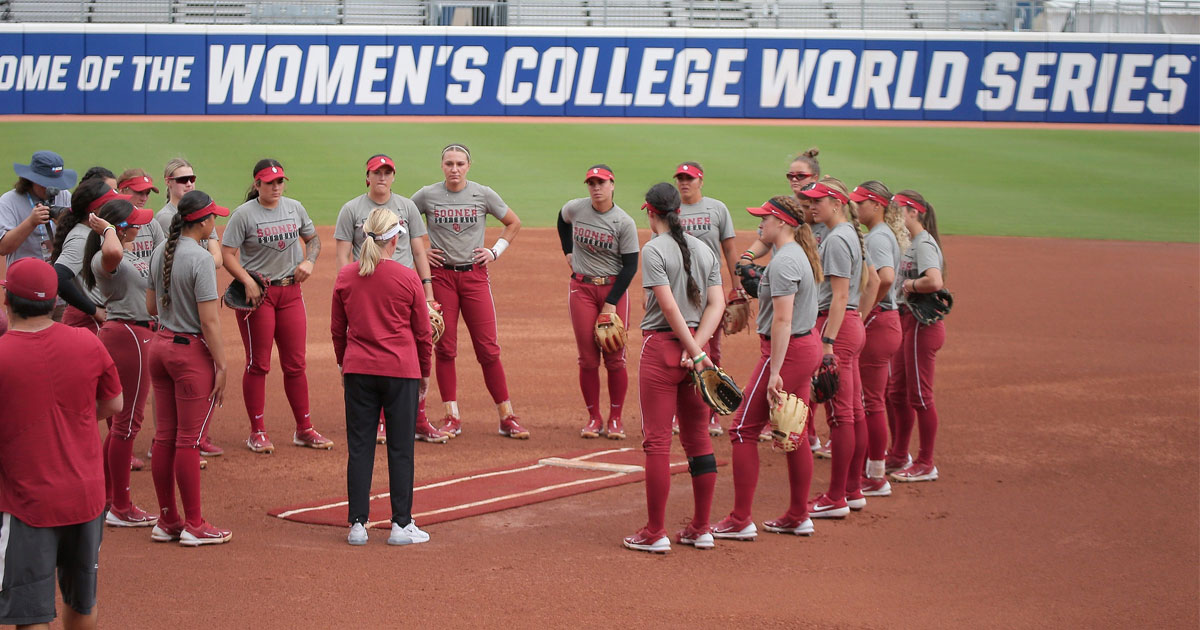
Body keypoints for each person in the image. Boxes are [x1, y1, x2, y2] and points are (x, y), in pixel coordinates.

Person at [0, 257, 122, 628]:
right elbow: (113, 403)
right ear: (57, 302)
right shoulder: (87, 342)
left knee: (31, 611)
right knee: (82, 600)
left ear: (7, 301)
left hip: (27, 503)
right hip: (85, 496)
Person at [713, 196, 824, 540]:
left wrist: (774, 370)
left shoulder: (785, 262)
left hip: (787, 352)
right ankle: (798, 514)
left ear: (782, 223)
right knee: (795, 431)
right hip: (803, 348)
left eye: (765, 219)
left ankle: (741, 518)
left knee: (743, 430)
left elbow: (782, 320)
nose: (760, 224)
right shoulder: (791, 255)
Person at [623, 183, 724, 554]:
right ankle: (702, 528)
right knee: (698, 438)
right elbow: (716, 305)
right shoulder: (705, 249)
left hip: (664, 352)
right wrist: (699, 349)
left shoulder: (653, 250)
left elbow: (668, 308)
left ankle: (655, 531)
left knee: (658, 444)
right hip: (698, 353)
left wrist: (689, 349)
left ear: (649, 211)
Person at [411, 144, 528, 439]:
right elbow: (400, 222)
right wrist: (422, 252)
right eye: (449, 163)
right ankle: (452, 416)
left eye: (460, 163)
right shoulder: (427, 195)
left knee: (488, 349)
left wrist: (495, 250)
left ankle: (507, 416)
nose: (454, 169)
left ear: (468, 166)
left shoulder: (482, 193)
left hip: (475, 276)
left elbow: (513, 222)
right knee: (445, 348)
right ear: (441, 166)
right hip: (441, 278)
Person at [332, 208, 434, 546]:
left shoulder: (347, 275)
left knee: (360, 448)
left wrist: (343, 365)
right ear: (395, 240)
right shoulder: (407, 278)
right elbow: (423, 333)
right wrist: (425, 373)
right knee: (401, 448)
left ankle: (357, 525)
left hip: (359, 369)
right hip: (400, 371)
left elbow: (338, 330)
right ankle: (401, 525)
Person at [335, 154, 448, 444]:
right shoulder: (352, 209)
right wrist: (348, 288)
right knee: (384, 349)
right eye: (377, 172)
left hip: (405, 288)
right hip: (369, 286)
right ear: (367, 177)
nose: (382, 177)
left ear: (393, 177)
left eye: (387, 172)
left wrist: (429, 293)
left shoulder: (407, 207)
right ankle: (381, 421)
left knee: (413, 350)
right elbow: (343, 256)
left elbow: (419, 252)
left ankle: (419, 419)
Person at [222, 159, 333, 454]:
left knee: (296, 364)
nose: (276, 187)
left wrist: (309, 260)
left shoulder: (294, 207)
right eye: (269, 182)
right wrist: (246, 280)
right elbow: (228, 254)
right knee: (258, 364)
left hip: (291, 293)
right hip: (259, 297)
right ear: (257, 184)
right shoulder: (243, 215)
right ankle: (257, 431)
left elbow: (313, 239)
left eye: (280, 181)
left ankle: (304, 429)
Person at [146, 190, 231, 546]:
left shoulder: (159, 251)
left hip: (160, 347)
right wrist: (222, 365)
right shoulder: (199, 260)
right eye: (214, 218)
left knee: (164, 437)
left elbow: (151, 305)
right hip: (190, 354)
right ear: (205, 223)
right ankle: (194, 525)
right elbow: (209, 323)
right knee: (189, 441)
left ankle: (167, 520)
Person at [798, 177, 877, 518]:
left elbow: (841, 295)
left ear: (837, 203)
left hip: (837, 330)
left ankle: (836, 497)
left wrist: (827, 342)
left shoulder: (836, 239)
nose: (812, 206)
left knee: (841, 415)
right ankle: (852, 490)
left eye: (818, 201)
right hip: (851, 325)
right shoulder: (849, 235)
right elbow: (873, 281)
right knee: (854, 412)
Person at [80, 198, 159, 526]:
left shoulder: (121, 252)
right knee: (127, 424)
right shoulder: (105, 256)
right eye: (134, 222)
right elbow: (111, 253)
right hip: (130, 337)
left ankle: (107, 498)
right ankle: (121, 507)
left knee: (123, 423)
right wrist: (109, 229)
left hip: (131, 335)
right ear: (118, 227)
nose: (140, 226)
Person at [558, 164, 638, 439]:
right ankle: (594, 418)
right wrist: (568, 251)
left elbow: (630, 267)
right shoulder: (577, 208)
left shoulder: (623, 222)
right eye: (591, 183)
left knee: (615, 357)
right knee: (588, 359)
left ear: (612, 185)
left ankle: (616, 418)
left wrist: (611, 302)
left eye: (601, 183)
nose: (596, 188)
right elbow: (561, 218)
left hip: (613, 289)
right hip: (581, 289)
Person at [673, 161, 741, 438]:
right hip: (678, 289)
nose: (684, 183)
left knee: (711, 351)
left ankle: (712, 412)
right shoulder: (671, 211)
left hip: (710, 290)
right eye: (680, 178)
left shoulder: (717, 208)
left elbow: (729, 249)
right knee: (680, 349)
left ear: (701, 181)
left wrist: (737, 288)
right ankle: (682, 413)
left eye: (689, 178)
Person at [850, 181, 909, 497]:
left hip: (879, 323)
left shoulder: (877, 238)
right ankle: (872, 469)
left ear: (877, 205)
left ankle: (875, 475)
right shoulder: (881, 234)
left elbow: (884, 278)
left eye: (860, 203)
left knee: (869, 401)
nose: (856, 208)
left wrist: (863, 312)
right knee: (872, 399)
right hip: (886, 322)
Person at [887, 190, 947, 483]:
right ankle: (899, 454)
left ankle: (926, 462)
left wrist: (910, 284)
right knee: (896, 391)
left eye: (898, 209)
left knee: (920, 395)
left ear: (913, 212)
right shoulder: (912, 242)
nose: (894, 214)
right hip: (907, 323)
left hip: (920, 326)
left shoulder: (924, 243)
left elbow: (934, 280)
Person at [51, 180, 128, 333]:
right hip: (87, 321)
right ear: (96, 210)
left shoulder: (93, 233)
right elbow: (58, 277)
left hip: (94, 320)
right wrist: (93, 310)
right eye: (110, 203)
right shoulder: (81, 238)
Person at [0, 151, 75, 268]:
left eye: (56, 183)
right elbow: (3, 248)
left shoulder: (64, 195)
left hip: (58, 274)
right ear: (32, 179)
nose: (52, 188)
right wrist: (31, 222)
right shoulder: (9, 201)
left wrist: (65, 224)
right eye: (46, 183)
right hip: (24, 276)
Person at [155, 159, 222, 268]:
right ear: (168, 182)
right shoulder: (166, 217)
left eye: (192, 179)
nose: (189, 184)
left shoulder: (203, 209)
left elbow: (218, 259)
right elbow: (177, 261)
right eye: (183, 180)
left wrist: (199, 264)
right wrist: (205, 262)